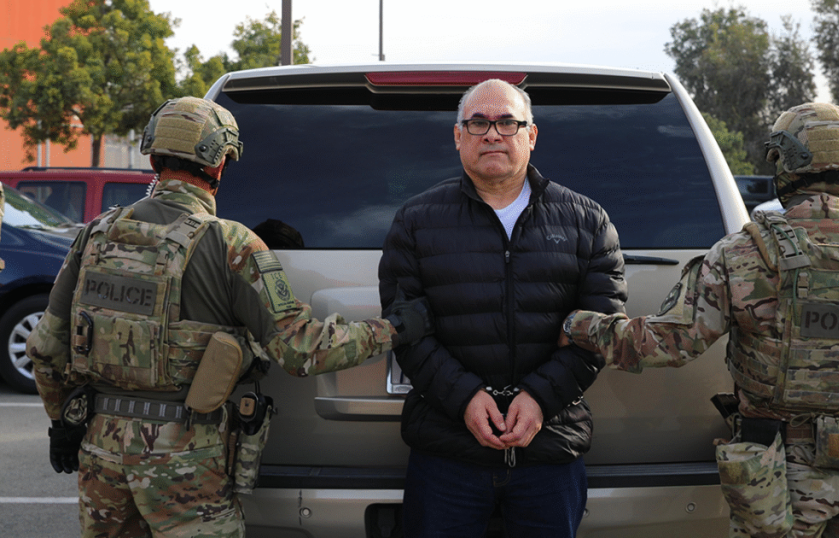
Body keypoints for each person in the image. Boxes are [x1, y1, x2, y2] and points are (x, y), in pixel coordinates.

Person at [26, 96, 431, 538]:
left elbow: (45, 348)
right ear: (219, 164)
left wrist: (61, 424)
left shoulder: (95, 234)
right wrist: (395, 328)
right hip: (184, 461)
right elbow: (301, 350)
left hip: (100, 453)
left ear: (153, 158)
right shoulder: (232, 244)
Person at [561, 103, 839, 538]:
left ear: (784, 164)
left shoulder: (743, 255)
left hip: (776, 483)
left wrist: (577, 325)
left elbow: (665, 345)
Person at [378, 79, 627, 537]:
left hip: (551, 449)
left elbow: (601, 330)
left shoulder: (588, 221)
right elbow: (407, 330)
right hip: (447, 451)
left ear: (531, 135)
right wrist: (465, 399)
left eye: (507, 122)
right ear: (459, 137)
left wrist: (539, 399)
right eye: (478, 123)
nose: (492, 133)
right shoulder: (415, 222)